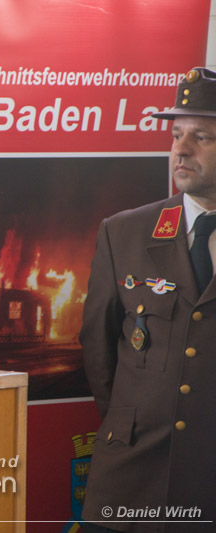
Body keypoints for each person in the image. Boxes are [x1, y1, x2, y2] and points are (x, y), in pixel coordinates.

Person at [80, 67, 216, 532]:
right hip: (132, 475)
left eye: (202, 137)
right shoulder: (124, 232)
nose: (181, 148)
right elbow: (98, 347)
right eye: (177, 135)